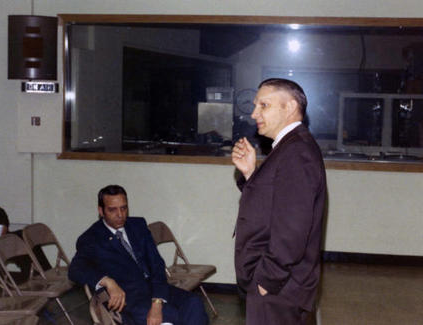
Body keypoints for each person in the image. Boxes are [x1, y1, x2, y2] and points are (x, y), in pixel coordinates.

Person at [231, 78, 327, 324]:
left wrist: (266, 280)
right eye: (255, 106)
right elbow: (274, 204)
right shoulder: (288, 147)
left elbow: (293, 229)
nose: (254, 114)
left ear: (290, 107)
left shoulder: (296, 152)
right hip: (278, 284)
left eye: (264, 105)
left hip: (279, 287)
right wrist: (251, 174)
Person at [68, 185, 208, 325]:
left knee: (193, 303)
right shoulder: (91, 238)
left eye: (123, 208)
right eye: (112, 210)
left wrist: (157, 301)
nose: (120, 215)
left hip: (154, 288)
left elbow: (156, 264)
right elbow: (75, 270)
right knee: (171, 316)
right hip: (129, 297)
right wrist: (107, 281)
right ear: (101, 211)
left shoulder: (137, 225)